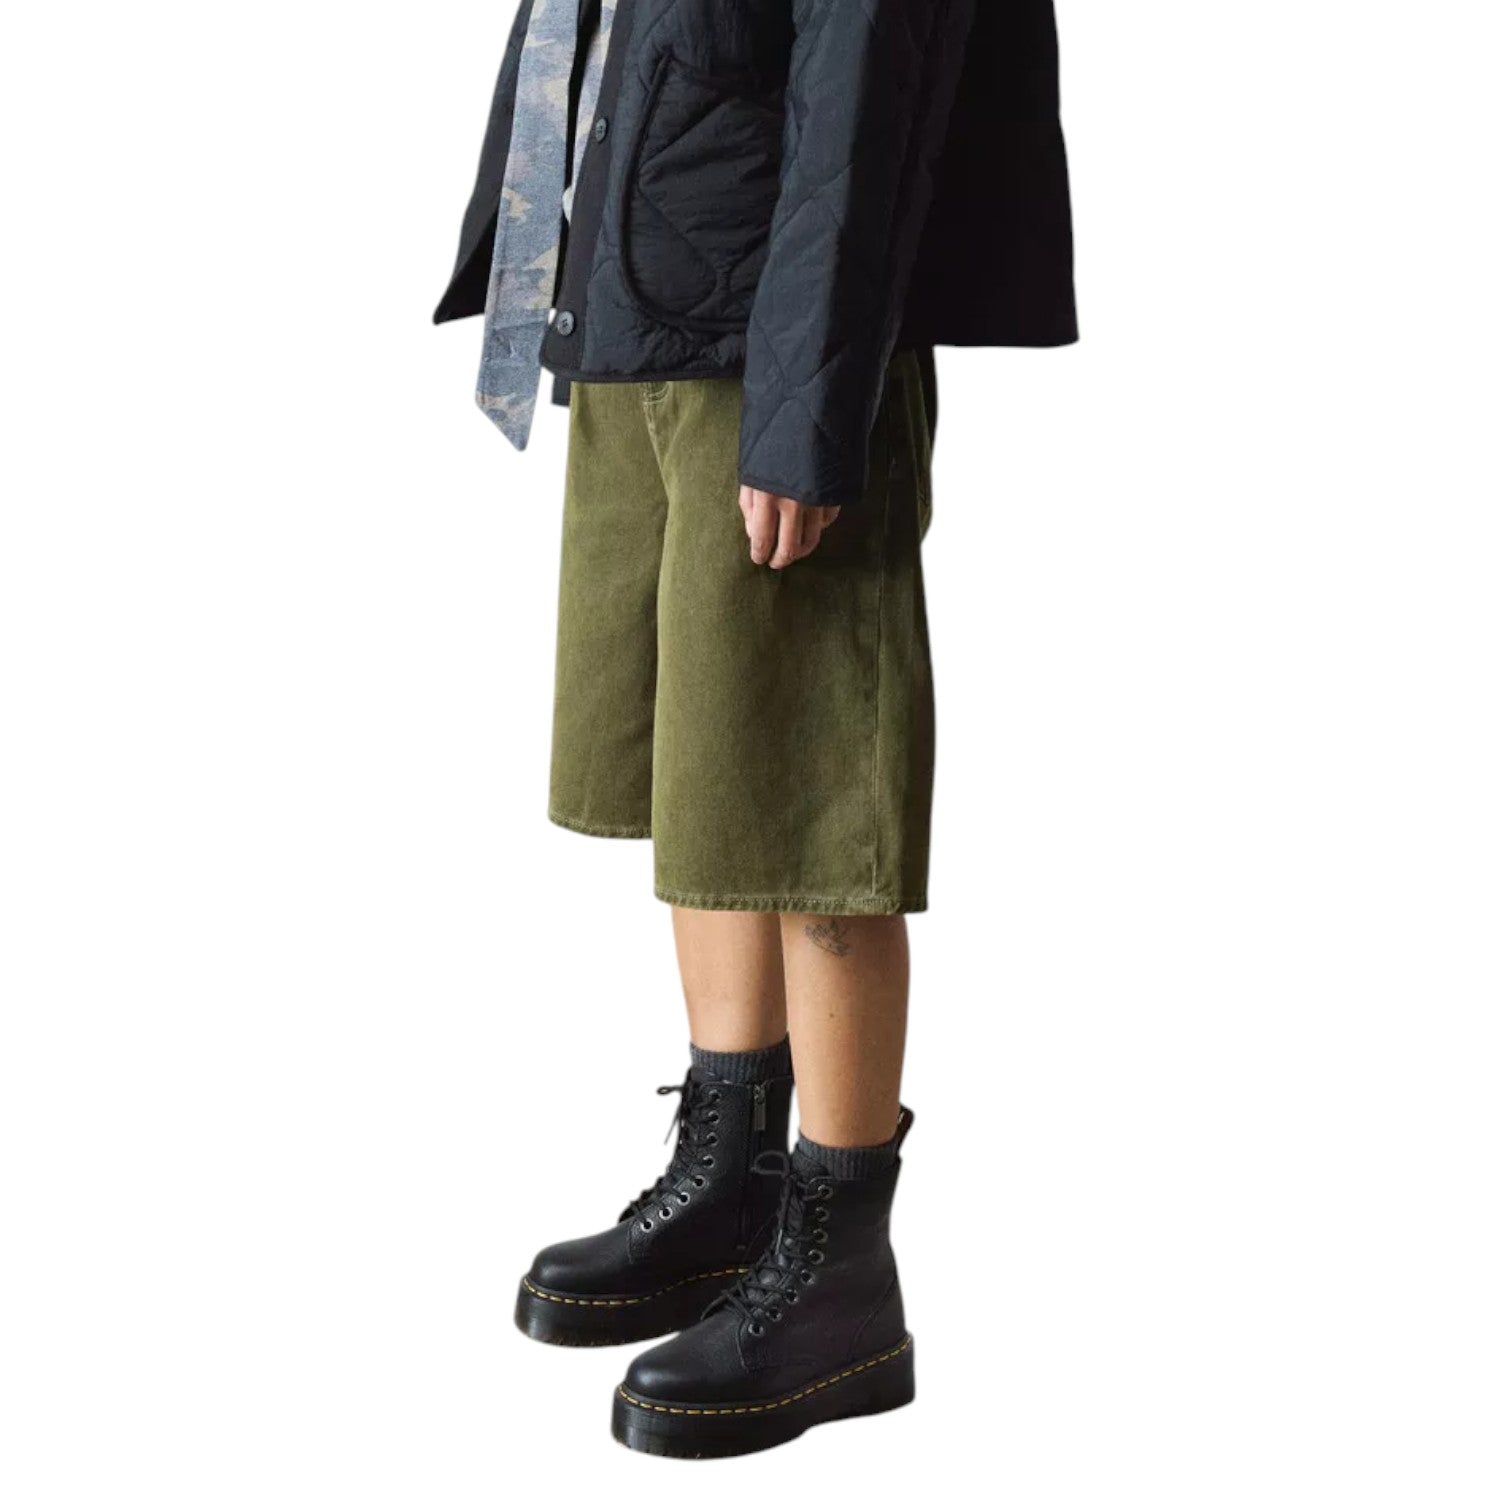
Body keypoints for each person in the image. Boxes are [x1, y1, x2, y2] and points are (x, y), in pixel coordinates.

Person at [435, 0, 1076, 1458]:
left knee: (808, 794)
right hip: (645, 297)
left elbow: (865, 113)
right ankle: (730, 1182)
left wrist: (807, 408)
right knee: (705, 772)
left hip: (772, 345)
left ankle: (842, 1268)